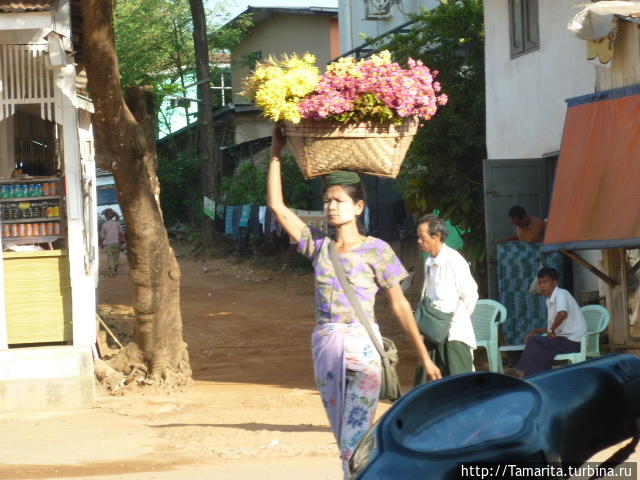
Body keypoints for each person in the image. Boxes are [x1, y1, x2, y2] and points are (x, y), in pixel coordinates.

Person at [267, 125, 441, 478]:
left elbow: (400, 306)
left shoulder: (378, 250)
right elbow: (277, 207)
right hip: (325, 343)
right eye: (327, 201)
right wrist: (275, 153)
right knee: (342, 435)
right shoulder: (318, 247)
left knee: (355, 435)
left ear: (358, 206)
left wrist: (423, 355)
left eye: (339, 201)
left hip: (362, 345)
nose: (331, 207)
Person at [416, 214, 479, 378]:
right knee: (427, 382)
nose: (419, 241)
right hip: (433, 333)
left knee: (461, 383)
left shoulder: (454, 261)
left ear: (436, 236)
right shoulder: (429, 262)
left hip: (454, 334)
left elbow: (470, 294)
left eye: (422, 237)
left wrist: (456, 320)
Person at [516, 267, 586, 378]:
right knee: (535, 343)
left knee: (536, 342)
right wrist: (536, 330)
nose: (542, 286)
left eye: (545, 282)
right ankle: (530, 376)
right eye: (540, 283)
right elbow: (553, 327)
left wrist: (552, 330)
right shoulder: (549, 300)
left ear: (555, 283)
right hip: (564, 340)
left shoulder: (561, 293)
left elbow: (562, 314)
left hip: (574, 343)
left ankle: (526, 375)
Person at [99, 208, 124, 276]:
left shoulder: (104, 225)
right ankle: (115, 269)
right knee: (116, 257)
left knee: (110, 257)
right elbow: (121, 232)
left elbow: (102, 236)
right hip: (117, 243)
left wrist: (101, 244)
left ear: (106, 216)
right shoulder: (117, 223)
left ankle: (112, 270)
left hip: (109, 244)